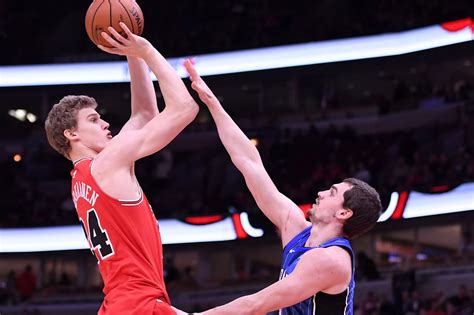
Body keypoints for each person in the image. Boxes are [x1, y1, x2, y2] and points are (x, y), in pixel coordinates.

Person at [182, 62, 382, 314]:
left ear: (344, 213)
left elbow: (256, 304)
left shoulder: (331, 260)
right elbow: (249, 162)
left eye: (332, 193)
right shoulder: (298, 231)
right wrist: (212, 103)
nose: (320, 193)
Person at [44, 23, 198, 314]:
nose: (104, 124)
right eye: (92, 120)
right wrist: (147, 51)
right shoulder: (108, 163)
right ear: (71, 134)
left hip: (121, 303)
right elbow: (184, 109)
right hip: (138, 303)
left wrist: (131, 53)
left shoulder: (83, 176)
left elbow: (144, 114)